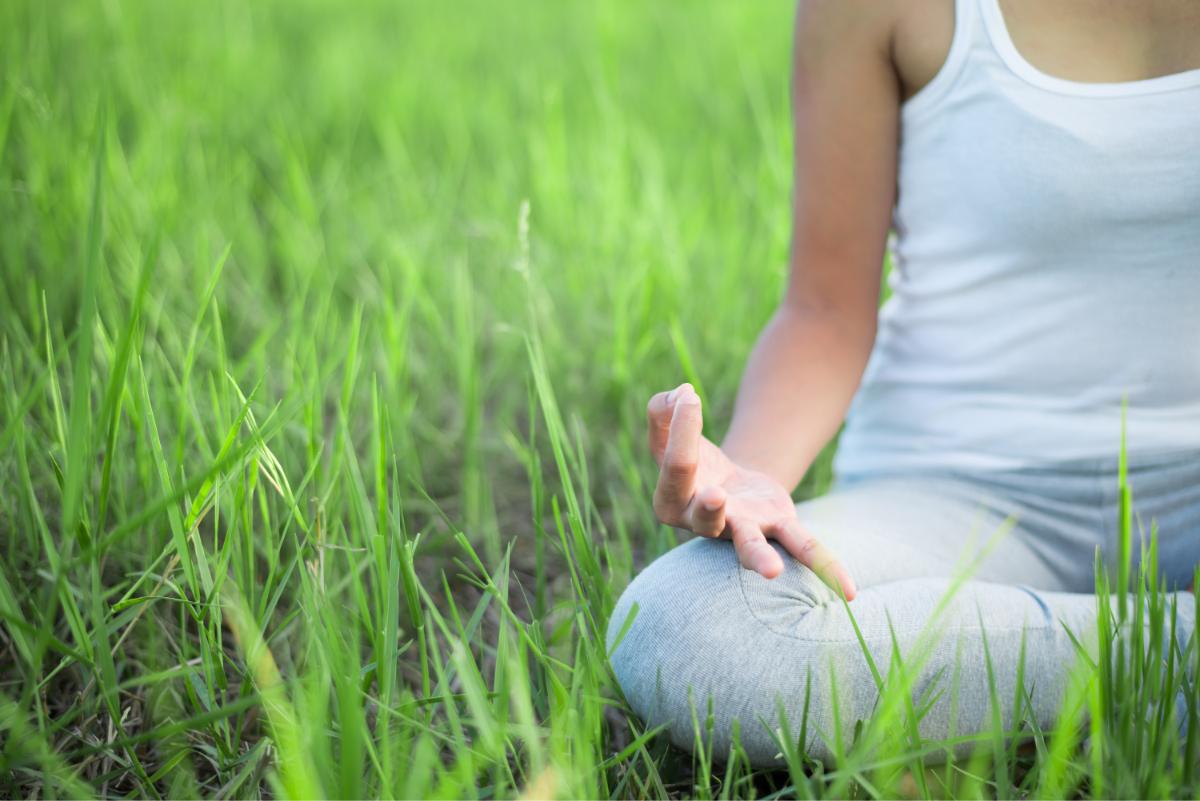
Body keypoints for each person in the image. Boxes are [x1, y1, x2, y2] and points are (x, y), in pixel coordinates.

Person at [607, 0, 1200, 766]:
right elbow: (824, 310)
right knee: (693, 628)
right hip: (955, 494)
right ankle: (1168, 654)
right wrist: (751, 478)